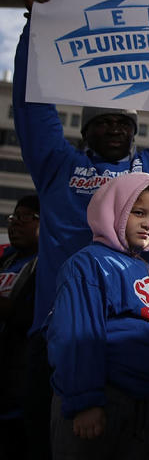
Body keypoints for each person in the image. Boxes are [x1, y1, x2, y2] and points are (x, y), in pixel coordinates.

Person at [15, 0, 149, 460]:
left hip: (133, 346)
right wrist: (33, 31)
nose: (112, 129)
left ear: (134, 131)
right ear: (86, 131)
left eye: (122, 123)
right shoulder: (60, 167)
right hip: (61, 336)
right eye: (101, 122)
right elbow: (32, 108)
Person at [45, 173, 149, 459]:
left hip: (144, 406)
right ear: (114, 209)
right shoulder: (87, 264)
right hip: (100, 400)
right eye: (139, 212)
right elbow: (76, 336)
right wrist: (85, 403)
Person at [0, 195, 40, 455]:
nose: (15, 223)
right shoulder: (6, 260)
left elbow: (27, 316)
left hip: (19, 386)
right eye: (14, 217)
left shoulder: (46, 266)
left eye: (25, 217)